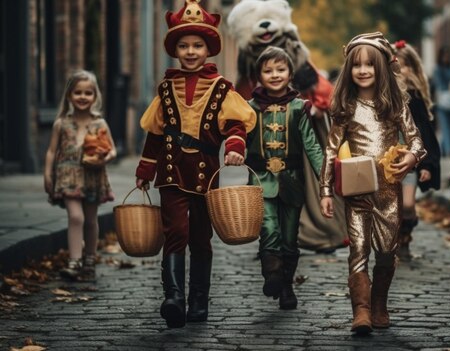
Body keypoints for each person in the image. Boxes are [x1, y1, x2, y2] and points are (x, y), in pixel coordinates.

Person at [134, 0, 256, 329]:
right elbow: (156, 133)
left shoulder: (221, 89)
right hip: (171, 172)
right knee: (175, 232)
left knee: (201, 237)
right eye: (184, 45)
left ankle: (199, 300)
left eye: (197, 45)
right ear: (175, 49)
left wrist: (234, 145)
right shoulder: (165, 88)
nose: (190, 51)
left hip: (206, 173)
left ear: (208, 49)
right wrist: (146, 168)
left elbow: (235, 125)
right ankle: (174, 297)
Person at [319, 32, 427, 334]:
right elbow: (330, 150)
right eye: (356, 66)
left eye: (369, 64)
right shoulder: (345, 107)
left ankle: (379, 303)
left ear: (381, 67)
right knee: (358, 249)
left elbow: (416, 139)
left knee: (386, 251)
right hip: (357, 192)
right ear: (349, 71)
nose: (363, 70)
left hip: (388, 193)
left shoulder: (394, 105)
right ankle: (362, 311)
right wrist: (326, 190)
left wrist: (412, 158)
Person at [245, 46, 324, 310]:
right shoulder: (249, 108)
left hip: (292, 180)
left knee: (289, 238)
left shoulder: (299, 108)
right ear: (259, 75)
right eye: (268, 71)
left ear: (290, 73)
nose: (275, 75)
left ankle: (286, 286)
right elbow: (235, 136)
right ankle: (272, 275)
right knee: (267, 229)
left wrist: (326, 177)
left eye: (280, 69)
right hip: (260, 179)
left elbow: (311, 145)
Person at [44, 70, 116, 282]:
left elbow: (112, 149)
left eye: (88, 93)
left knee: (91, 220)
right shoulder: (61, 124)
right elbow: (51, 151)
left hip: (93, 176)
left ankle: (90, 259)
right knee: (76, 217)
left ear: (95, 97)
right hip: (67, 176)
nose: (83, 97)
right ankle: (74, 262)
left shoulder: (99, 123)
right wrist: (47, 174)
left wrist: (106, 159)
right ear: (69, 96)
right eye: (78, 93)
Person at [393, 40, 441, 261]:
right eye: (394, 65)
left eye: (403, 66)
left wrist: (427, 164)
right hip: (384, 160)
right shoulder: (382, 96)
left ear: (412, 68)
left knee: (408, 205)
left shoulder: (415, 98)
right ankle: (392, 246)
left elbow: (426, 134)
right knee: (390, 208)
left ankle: (405, 237)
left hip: (409, 161)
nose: (399, 71)